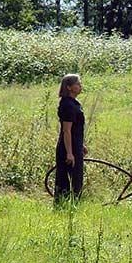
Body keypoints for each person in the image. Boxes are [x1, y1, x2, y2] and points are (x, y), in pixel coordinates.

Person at [55, 73, 88, 203]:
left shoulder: (74, 103)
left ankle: (73, 207)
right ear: (69, 87)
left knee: (77, 180)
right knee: (67, 181)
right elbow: (66, 131)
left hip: (75, 146)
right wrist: (69, 153)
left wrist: (81, 145)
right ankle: (63, 207)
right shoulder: (67, 105)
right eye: (78, 84)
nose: (80, 86)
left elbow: (75, 129)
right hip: (68, 149)